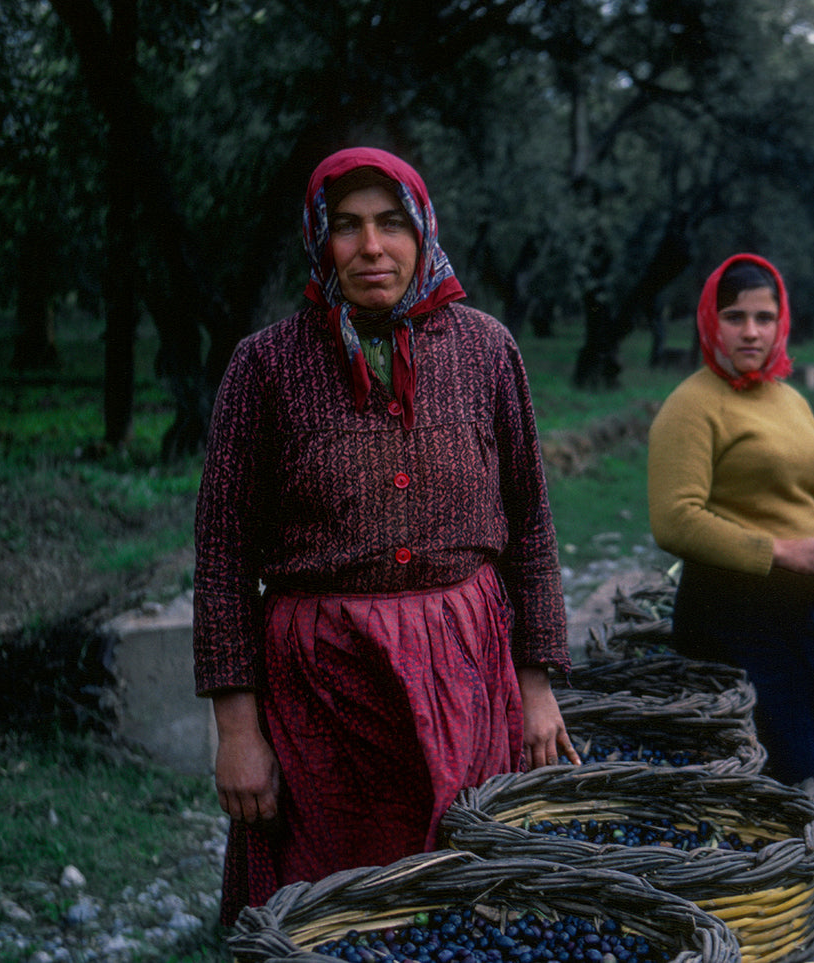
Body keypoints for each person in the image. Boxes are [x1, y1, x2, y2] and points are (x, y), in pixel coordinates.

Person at [193, 146, 578, 926]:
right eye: (347, 227)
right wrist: (237, 730)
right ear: (319, 241)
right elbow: (223, 555)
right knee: (338, 909)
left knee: (466, 901)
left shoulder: (486, 349)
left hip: (466, 673)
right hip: (323, 693)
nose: (372, 247)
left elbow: (531, 523)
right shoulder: (263, 366)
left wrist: (537, 687)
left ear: (423, 230)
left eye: (392, 224)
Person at [648, 253, 814, 963]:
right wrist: (781, 550)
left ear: (780, 323)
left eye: (763, 316)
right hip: (732, 618)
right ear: (710, 319)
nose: (750, 330)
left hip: (805, 616)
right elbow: (674, 520)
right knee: (774, 791)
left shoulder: (788, 398)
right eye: (734, 315)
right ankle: (770, 945)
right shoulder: (692, 403)